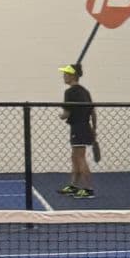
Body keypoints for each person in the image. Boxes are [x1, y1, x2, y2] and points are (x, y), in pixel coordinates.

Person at [57, 63, 95, 200]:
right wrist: (94, 129)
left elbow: (66, 113)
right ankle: (73, 185)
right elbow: (93, 111)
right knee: (75, 157)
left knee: (80, 158)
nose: (64, 76)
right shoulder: (85, 91)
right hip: (85, 126)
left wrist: (61, 116)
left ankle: (89, 189)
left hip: (78, 128)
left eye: (66, 74)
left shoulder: (69, 92)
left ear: (73, 75)